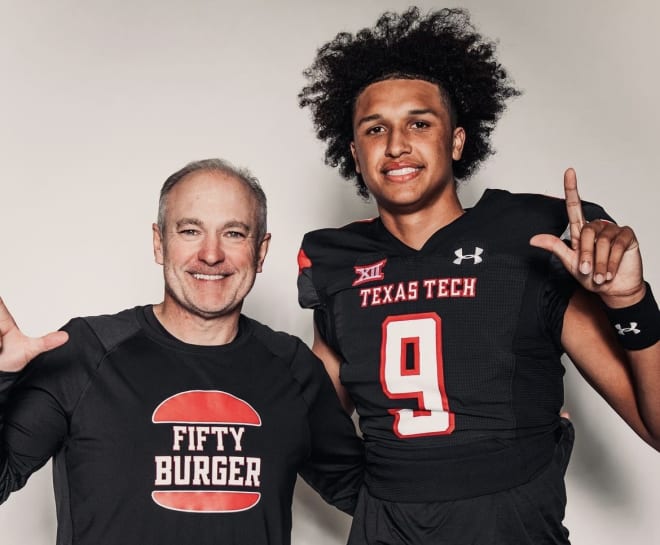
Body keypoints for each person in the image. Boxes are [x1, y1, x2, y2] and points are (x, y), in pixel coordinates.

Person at [296, 7, 659, 544]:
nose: (396, 145)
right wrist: (374, 500)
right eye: (376, 129)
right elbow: (306, 430)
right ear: (354, 151)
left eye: (419, 122)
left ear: (457, 141)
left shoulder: (528, 239)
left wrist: (631, 302)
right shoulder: (336, 260)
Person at [0, 158, 363, 545]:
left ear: (261, 251)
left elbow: (369, 495)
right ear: (159, 243)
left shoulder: (293, 368)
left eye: (235, 234)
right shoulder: (87, 351)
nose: (210, 254)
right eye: (190, 230)